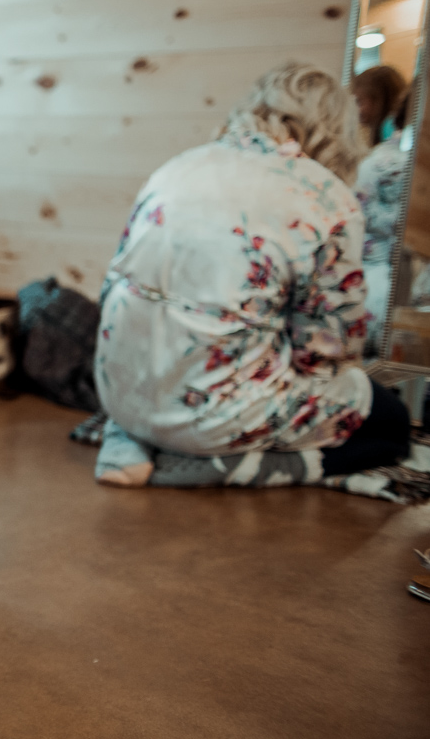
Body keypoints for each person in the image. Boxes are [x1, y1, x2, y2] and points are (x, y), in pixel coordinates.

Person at [94, 61, 410, 487]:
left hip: (117, 391)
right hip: (208, 414)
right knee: (390, 421)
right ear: (335, 125)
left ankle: (130, 440)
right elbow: (324, 352)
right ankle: (230, 465)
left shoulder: (180, 164)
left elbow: (115, 283)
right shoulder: (325, 195)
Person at [351, 66, 411, 349]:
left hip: (378, 277)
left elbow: (360, 213)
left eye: (360, 100)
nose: (356, 109)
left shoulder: (381, 163)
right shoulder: (380, 158)